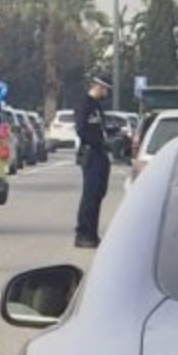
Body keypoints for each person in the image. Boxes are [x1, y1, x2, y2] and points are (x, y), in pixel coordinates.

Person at [73, 75, 113, 248]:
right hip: (91, 153)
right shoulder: (85, 104)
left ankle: (92, 234)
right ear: (98, 86)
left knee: (98, 194)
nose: (106, 93)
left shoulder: (97, 106)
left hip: (100, 153)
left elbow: (100, 128)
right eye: (105, 89)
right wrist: (97, 141)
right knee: (89, 195)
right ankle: (83, 234)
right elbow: (81, 129)